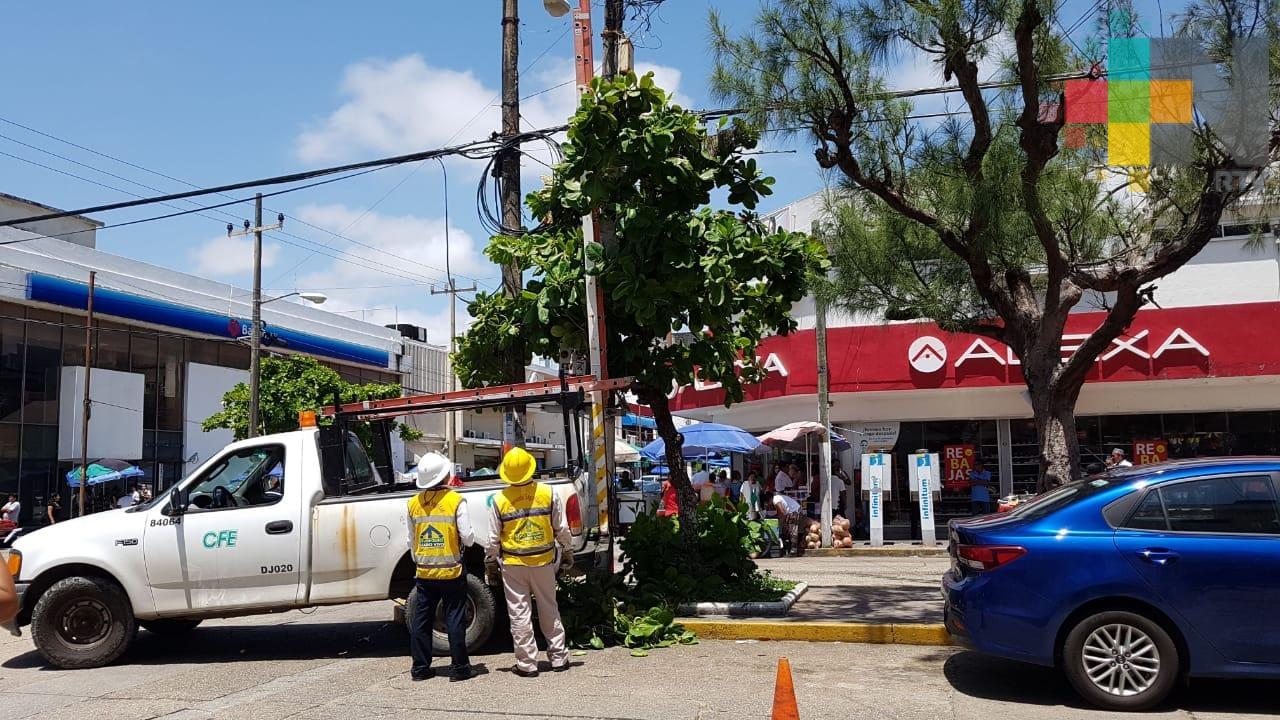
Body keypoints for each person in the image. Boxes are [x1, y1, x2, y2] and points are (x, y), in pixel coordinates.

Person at [487, 447, 573, 677]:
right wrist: (567, 550)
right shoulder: (548, 493)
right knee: (548, 608)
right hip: (543, 561)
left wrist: (490, 561)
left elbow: (493, 538)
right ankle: (559, 658)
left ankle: (527, 664)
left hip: (514, 565)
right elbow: (561, 528)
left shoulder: (499, 499)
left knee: (519, 613)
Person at [406, 452, 474, 682]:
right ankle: (460, 668)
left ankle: (420, 669)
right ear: (445, 475)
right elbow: (468, 538)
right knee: (454, 617)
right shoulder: (456, 501)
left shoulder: (413, 504)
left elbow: (410, 540)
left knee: (422, 620)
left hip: (424, 572)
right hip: (452, 571)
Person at [772, 491, 805, 557]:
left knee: (793, 530)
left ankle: (794, 551)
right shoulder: (777, 498)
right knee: (789, 530)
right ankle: (792, 549)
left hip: (794, 511)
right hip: (794, 510)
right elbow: (781, 513)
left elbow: (783, 511)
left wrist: (780, 523)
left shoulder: (775, 500)